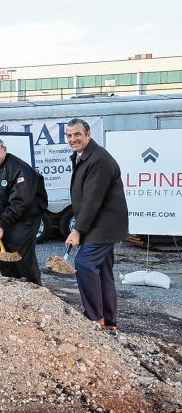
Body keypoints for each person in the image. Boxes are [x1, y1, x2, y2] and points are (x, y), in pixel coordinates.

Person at [65, 118, 128, 330]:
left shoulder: (98, 159)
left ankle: (95, 318)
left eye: (77, 135)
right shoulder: (83, 156)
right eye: (69, 135)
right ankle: (109, 322)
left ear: (88, 135)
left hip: (103, 224)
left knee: (84, 264)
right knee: (103, 272)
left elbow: (93, 199)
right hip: (98, 223)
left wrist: (77, 230)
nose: (73, 139)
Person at [0, 138, 47, 285]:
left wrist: (2, 224)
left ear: (4, 149)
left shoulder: (19, 168)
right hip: (5, 218)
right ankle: (11, 289)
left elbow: (21, 201)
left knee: (21, 257)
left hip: (24, 219)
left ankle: (34, 291)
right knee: (5, 256)